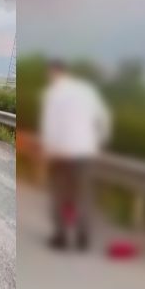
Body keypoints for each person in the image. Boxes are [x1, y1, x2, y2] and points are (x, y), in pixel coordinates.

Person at [40, 59, 111, 251]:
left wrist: (48, 150)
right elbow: (103, 118)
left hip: (62, 152)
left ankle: (61, 236)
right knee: (84, 195)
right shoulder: (87, 91)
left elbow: (50, 125)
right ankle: (83, 237)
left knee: (60, 194)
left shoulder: (53, 93)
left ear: (53, 72)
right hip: (86, 151)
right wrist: (99, 143)